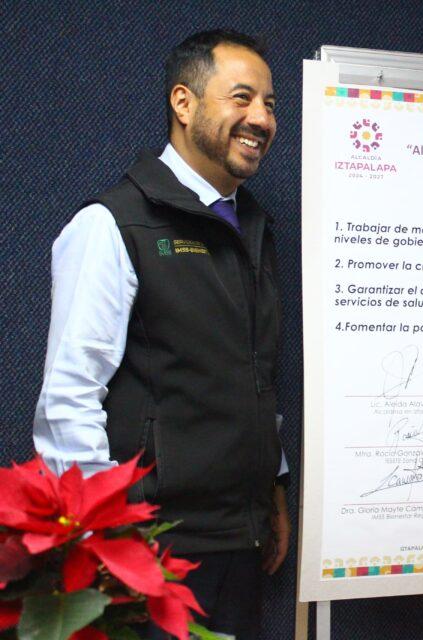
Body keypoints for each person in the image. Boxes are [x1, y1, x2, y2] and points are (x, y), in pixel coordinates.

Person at [33, 29, 289, 639]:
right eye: (242, 98)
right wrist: (105, 541)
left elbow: (252, 375)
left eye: (270, 104)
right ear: (183, 103)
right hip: (153, 549)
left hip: (240, 541)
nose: (262, 119)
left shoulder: (253, 227)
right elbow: (68, 397)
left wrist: (274, 486)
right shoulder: (112, 224)